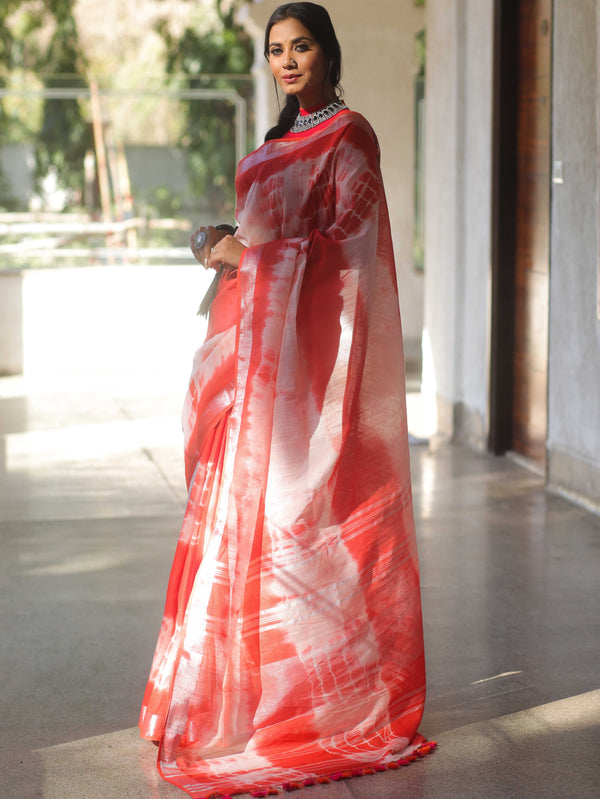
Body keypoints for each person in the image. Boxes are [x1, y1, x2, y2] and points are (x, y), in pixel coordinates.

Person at [139, 3, 433, 796]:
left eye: (302, 46)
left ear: (329, 53)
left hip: (307, 364)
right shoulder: (271, 146)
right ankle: (231, 689)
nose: (288, 60)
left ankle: (327, 699)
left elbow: (347, 250)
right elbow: (257, 233)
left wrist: (251, 254)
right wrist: (221, 247)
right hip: (251, 359)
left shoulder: (351, 136)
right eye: (277, 50)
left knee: (303, 522)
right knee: (241, 525)